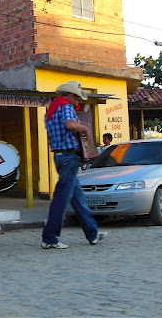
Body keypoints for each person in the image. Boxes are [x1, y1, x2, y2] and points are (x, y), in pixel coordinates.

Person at [41, 80, 106, 249]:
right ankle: (50, 237)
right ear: (70, 96)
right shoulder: (66, 107)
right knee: (61, 199)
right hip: (69, 156)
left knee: (78, 199)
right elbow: (70, 125)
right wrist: (85, 129)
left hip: (59, 155)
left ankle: (92, 234)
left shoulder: (51, 110)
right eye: (77, 98)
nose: (77, 102)